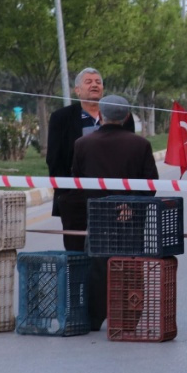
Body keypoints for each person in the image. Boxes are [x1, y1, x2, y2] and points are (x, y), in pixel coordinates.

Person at [72, 95, 159, 330]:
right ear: (127, 116)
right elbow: (150, 184)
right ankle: (129, 318)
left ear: (101, 115)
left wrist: (96, 202)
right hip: (130, 218)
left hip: (98, 215)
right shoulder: (140, 145)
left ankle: (94, 316)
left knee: (97, 265)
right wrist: (129, 203)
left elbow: (77, 183)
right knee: (130, 265)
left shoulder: (83, 144)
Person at [46, 68, 134, 252]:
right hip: (76, 199)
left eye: (98, 82)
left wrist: (127, 197)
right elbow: (54, 160)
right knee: (76, 253)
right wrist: (66, 194)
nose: (94, 85)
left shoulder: (121, 117)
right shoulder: (61, 118)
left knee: (112, 254)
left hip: (115, 198)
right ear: (77, 90)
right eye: (88, 82)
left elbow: (130, 156)